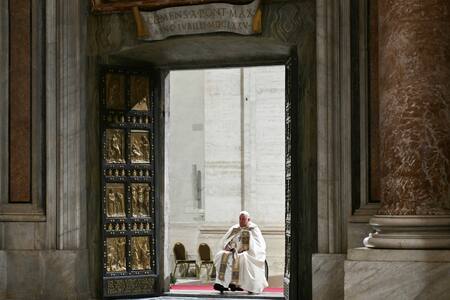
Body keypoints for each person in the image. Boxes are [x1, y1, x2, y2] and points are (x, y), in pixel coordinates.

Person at [213, 211, 268, 294]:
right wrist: (227, 246)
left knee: (240, 258)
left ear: (248, 219)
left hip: (249, 253)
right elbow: (226, 240)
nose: (241, 221)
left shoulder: (253, 229)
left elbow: (259, 245)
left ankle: (234, 284)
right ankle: (221, 283)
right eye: (240, 219)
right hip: (233, 251)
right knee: (221, 255)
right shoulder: (235, 228)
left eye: (243, 219)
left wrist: (246, 248)